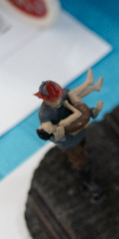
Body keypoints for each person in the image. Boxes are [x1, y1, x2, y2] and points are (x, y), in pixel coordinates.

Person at [36, 71, 104, 200]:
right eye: (53, 99)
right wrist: (62, 134)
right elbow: (50, 135)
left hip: (79, 130)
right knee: (81, 163)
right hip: (69, 143)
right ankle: (88, 182)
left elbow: (76, 98)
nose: (58, 100)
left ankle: (84, 164)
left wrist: (88, 111)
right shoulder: (45, 116)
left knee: (83, 147)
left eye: (57, 96)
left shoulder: (63, 94)